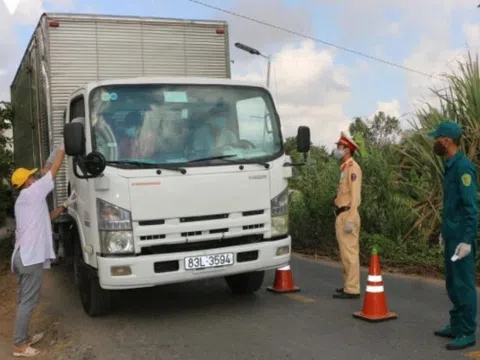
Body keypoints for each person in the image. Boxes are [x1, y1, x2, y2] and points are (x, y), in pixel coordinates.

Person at [10, 143, 76, 357]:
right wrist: (63, 149)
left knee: (24, 300)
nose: (35, 177)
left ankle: (24, 337)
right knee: (27, 302)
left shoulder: (25, 200)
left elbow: (46, 218)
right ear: (27, 182)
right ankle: (20, 345)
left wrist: (65, 205)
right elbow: (52, 171)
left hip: (23, 257)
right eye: (32, 176)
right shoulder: (31, 194)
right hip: (29, 259)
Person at [428, 121, 478, 351]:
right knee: (452, 284)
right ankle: (456, 324)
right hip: (451, 235)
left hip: (461, 240)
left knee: (463, 284)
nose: (434, 141)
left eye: (437, 137)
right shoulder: (449, 165)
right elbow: (450, 205)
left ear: (447, 140)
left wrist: (467, 240)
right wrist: (443, 231)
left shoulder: (463, 168)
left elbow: (471, 207)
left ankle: (467, 332)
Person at [332, 131, 362, 299]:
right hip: (341, 213)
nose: (337, 149)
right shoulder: (344, 168)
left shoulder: (353, 168)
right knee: (345, 252)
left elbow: (355, 195)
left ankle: (352, 289)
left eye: (340, 146)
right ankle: (347, 285)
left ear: (348, 149)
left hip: (348, 214)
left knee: (350, 253)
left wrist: (351, 218)